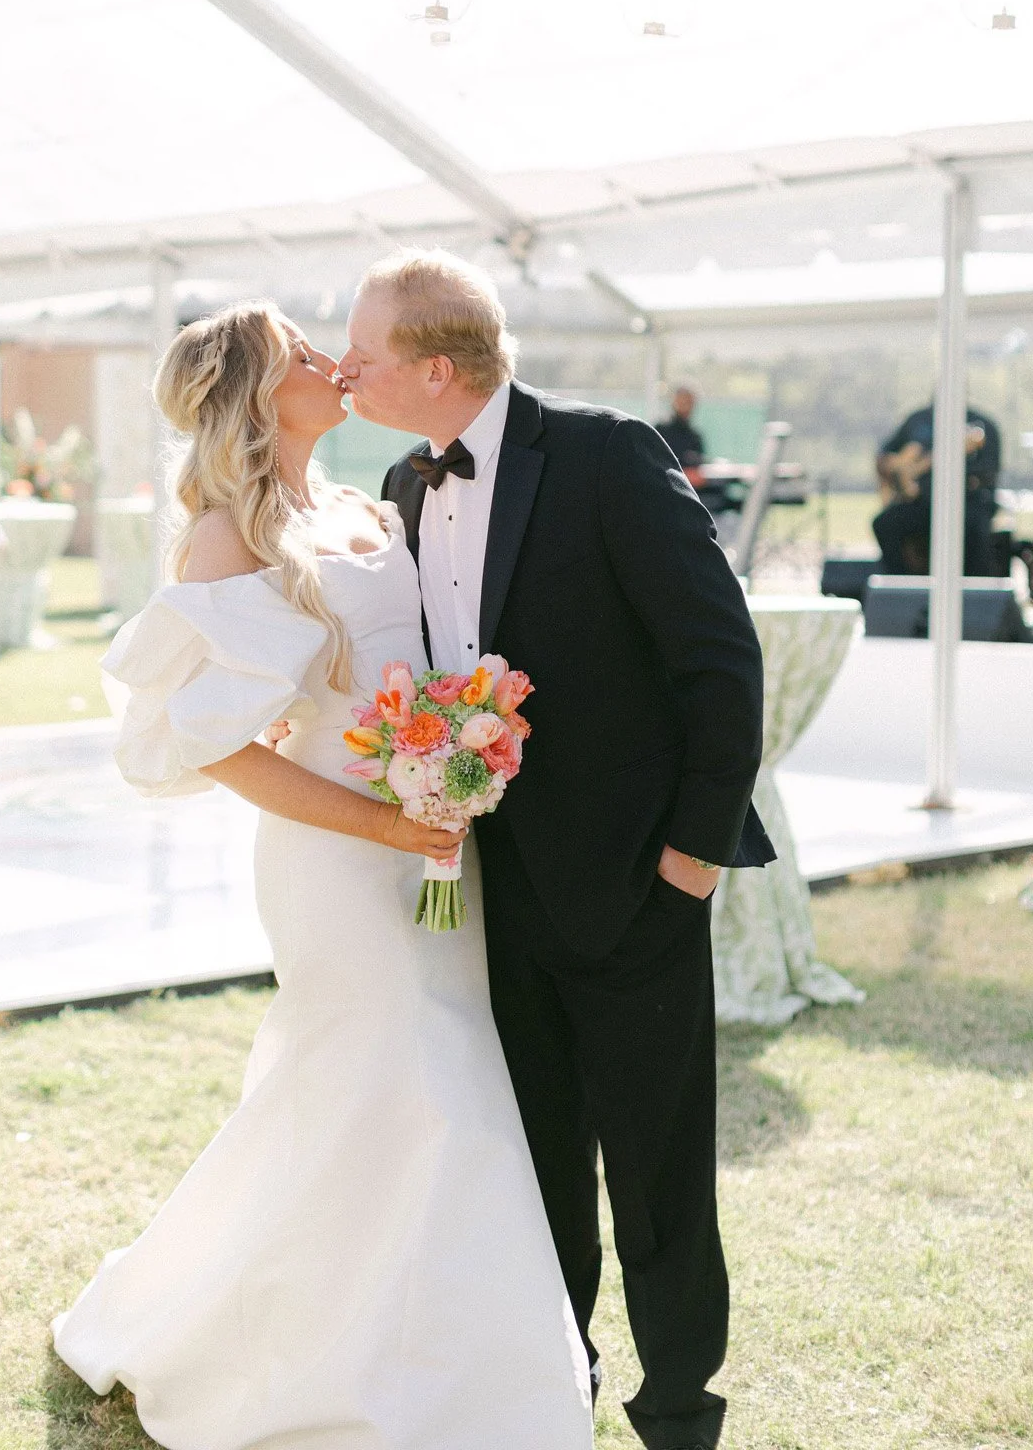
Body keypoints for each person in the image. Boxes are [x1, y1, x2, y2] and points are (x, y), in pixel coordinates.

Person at [52, 303, 593, 1450]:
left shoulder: (367, 506)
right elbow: (219, 743)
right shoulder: (226, 533)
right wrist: (386, 824)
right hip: (336, 859)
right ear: (255, 389)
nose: (333, 361)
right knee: (389, 1073)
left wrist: (461, 748)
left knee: (435, 1082)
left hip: (437, 834)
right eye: (304, 352)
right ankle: (320, 1359)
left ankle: (451, 1358)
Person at [338, 250, 771, 1450]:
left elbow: (719, 657)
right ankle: (549, 1385)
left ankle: (680, 1409)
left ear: (435, 364)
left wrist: (690, 856)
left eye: (363, 348)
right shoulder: (399, 478)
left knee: (659, 1174)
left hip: (635, 883)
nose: (346, 364)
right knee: (531, 1170)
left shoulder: (604, 451)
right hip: (486, 894)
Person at [872, 400, 1002, 576]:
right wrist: (904, 473)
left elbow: (988, 473)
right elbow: (886, 458)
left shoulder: (981, 424)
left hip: (966, 502)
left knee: (975, 530)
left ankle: (975, 591)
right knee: (884, 524)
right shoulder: (917, 420)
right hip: (921, 502)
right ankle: (904, 585)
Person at [656, 385, 706, 483]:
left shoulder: (695, 435)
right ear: (674, 402)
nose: (686, 406)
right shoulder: (661, 430)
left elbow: (699, 462)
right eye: (682, 401)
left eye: (689, 402)